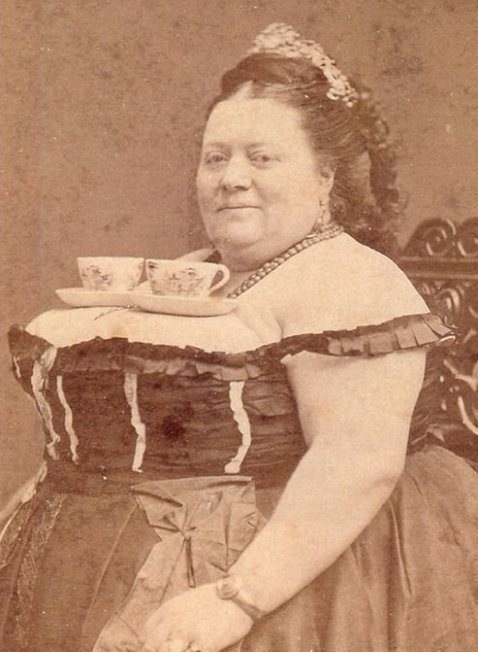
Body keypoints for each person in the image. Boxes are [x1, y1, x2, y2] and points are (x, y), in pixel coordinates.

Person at [2, 22, 478, 652]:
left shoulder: (351, 280)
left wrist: (238, 600)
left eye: (262, 157)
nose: (230, 178)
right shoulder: (195, 272)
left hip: (302, 573)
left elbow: (356, 462)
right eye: (216, 157)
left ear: (325, 177)